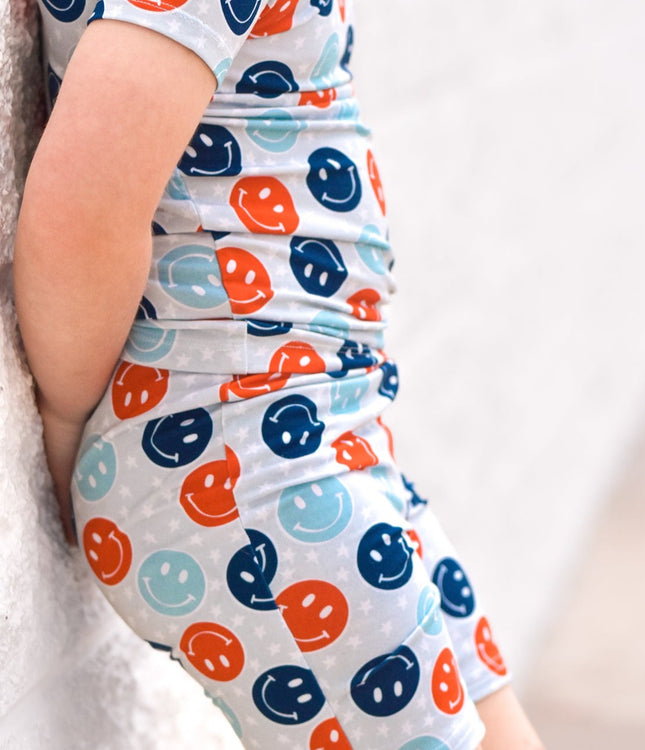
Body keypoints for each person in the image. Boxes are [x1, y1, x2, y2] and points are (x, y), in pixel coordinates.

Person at [14, 0, 544, 747]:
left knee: (497, 726)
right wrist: (66, 420)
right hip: (243, 448)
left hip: (315, 427)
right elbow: (85, 204)